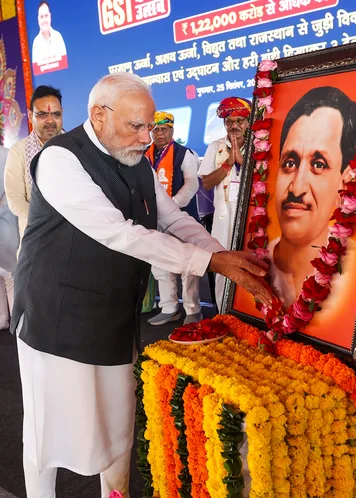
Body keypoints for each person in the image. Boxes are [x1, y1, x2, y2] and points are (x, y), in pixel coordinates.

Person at [11, 72, 271, 498]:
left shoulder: (137, 161)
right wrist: (211, 262)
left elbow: (173, 219)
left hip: (113, 313)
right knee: (48, 436)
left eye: (149, 126)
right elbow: (120, 234)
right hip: (55, 317)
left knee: (118, 426)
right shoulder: (60, 159)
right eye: (136, 126)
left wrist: (222, 256)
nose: (146, 137)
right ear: (99, 115)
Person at [268, 86, 356, 309]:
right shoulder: (257, 259)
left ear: (345, 182)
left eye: (319, 165)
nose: (297, 187)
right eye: (290, 163)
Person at [146, 111, 203, 326]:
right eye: (155, 130)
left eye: (164, 129)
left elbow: (191, 185)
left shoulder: (185, 154)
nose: (159, 134)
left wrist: (170, 206)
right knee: (161, 262)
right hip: (155, 218)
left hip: (181, 216)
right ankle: (169, 308)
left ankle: (192, 310)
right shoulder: (144, 155)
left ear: (172, 130)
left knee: (189, 263)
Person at [198, 96, 252, 309]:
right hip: (223, 218)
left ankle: (249, 314)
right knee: (224, 264)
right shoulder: (216, 147)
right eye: (228, 122)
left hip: (251, 217)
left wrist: (243, 162)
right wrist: (229, 163)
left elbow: (265, 180)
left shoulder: (260, 145)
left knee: (252, 264)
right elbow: (207, 183)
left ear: (249, 122)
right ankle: (223, 312)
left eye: (240, 121)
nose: (234, 126)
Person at [4, 85, 63, 244]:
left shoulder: (76, 147)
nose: (50, 120)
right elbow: (15, 200)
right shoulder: (18, 151)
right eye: (42, 114)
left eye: (56, 114)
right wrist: (48, 218)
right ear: (30, 115)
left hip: (73, 234)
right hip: (36, 237)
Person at [0, 145, 19, 330]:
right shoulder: (8, 155)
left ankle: (2, 319)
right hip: (7, 225)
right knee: (12, 277)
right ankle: (16, 322)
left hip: (7, 224)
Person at [31, 1, 68, 74]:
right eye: (41, 17)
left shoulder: (58, 37)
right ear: (38, 20)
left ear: (50, 16)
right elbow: (36, 71)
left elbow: (64, 65)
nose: (44, 20)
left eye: (46, 16)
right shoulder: (36, 43)